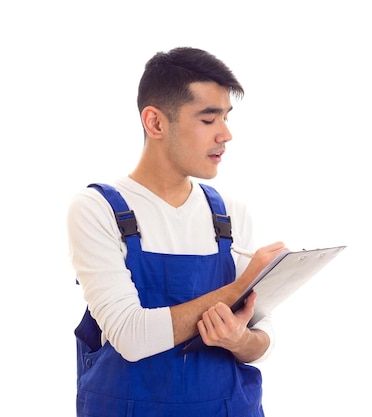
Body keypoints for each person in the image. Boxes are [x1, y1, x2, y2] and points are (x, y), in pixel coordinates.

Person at [67, 46, 286, 417]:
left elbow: (264, 341)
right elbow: (131, 337)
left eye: (227, 117)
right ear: (155, 123)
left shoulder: (231, 215)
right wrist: (239, 287)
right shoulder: (97, 209)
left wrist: (239, 339)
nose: (226, 134)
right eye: (208, 119)